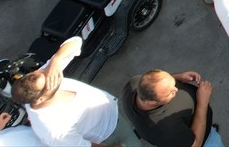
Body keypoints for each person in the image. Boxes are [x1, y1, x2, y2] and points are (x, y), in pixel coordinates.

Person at [12, 38, 141, 147]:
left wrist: (56, 60)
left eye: (44, 73)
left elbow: (76, 42)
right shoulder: (52, 129)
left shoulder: (43, 76)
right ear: (40, 99)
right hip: (109, 134)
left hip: (111, 112)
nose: (51, 75)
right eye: (49, 80)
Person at [122, 69, 217, 147]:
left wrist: (178, 77)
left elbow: (154, 82)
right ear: (152, 102)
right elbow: (195, 144)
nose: (176, 89)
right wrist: (203, 102)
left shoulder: (134, 83)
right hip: (206, 141)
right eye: (170, 92)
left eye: (173, 84)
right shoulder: (164, 128)